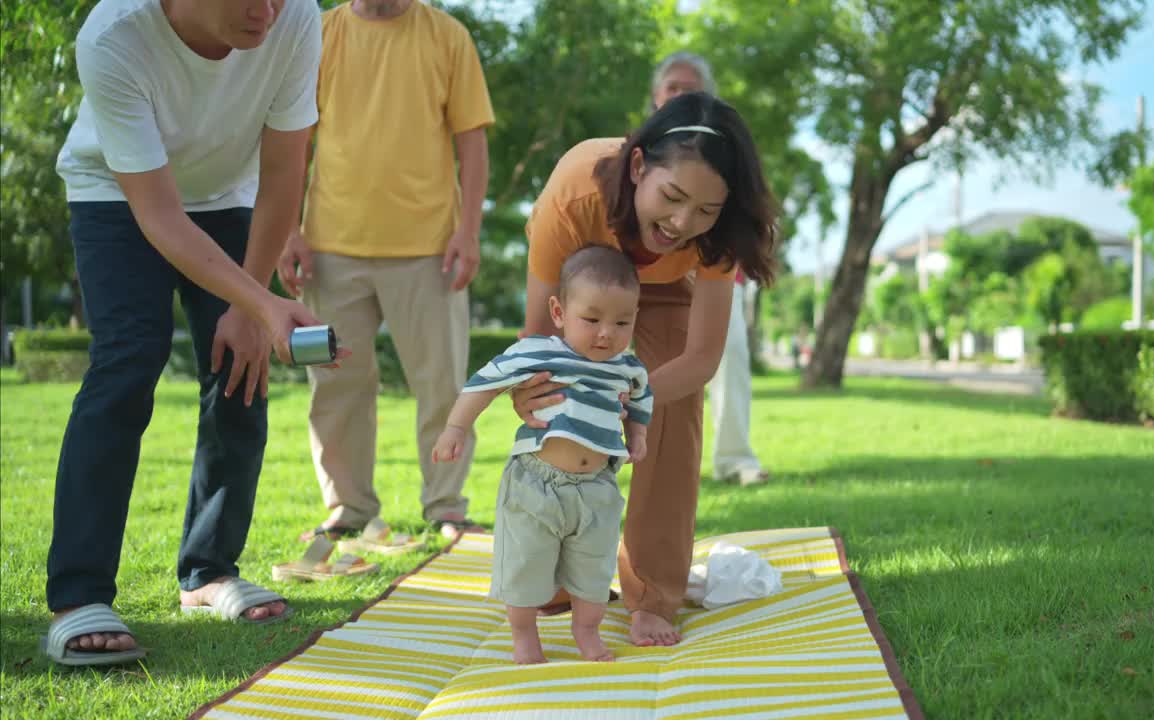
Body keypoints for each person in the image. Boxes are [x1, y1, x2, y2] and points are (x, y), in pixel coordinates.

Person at [43, 0, 332, 666]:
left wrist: (252, 309)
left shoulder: (296, 18)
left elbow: (286, 168)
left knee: (241, 369)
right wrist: (262, 301)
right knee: (127, 362)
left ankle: (209, 572)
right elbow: (160, 216)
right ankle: (79, 595)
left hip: (231, 196)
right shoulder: (113, 35)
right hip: (117, 193)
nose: (265, 11)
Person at [511, 91, 778, 647]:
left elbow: (702, 357)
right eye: (673, 198)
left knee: (671, 409)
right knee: (557, 409)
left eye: (706, 210)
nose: (683, 222)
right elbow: (539, 331)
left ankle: (654, 593)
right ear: (638, 168)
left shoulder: (717, 233)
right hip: (582, 287)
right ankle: (554, 575)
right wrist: (533, 392)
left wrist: (628, 397)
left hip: (663, 299)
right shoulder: (575, 192)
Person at [275, 0, 494, 546]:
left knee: (442, 386)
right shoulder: (317, 34)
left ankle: (446, 505)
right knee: (334, 384)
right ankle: (347, 507)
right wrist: (288, 232)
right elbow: (291, 141)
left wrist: (468, 232)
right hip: (329, 246)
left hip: (430, 248)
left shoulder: (446, 35)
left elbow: (472, 142)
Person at [433, 245, 652, 664]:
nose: (606, 332)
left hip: (598, 489)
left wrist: (636, 434)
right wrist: (456, 426)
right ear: (559, 312)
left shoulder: (627, 366)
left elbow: (642, 400)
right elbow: (485, 382)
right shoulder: (538, 352)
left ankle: (587, 633)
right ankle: (524, 637)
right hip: (537, 483)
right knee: (525, 564)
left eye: (622, 321)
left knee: (594, 570)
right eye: (591, 319)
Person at [649, 51, 769, 486]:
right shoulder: (636, 154)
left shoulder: (725, 158)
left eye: (691, 89)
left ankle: (735, 457)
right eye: (672, 88)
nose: (680, 95)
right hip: (642, 280)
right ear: (656, 98)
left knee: (729, 354)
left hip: (712, 275)